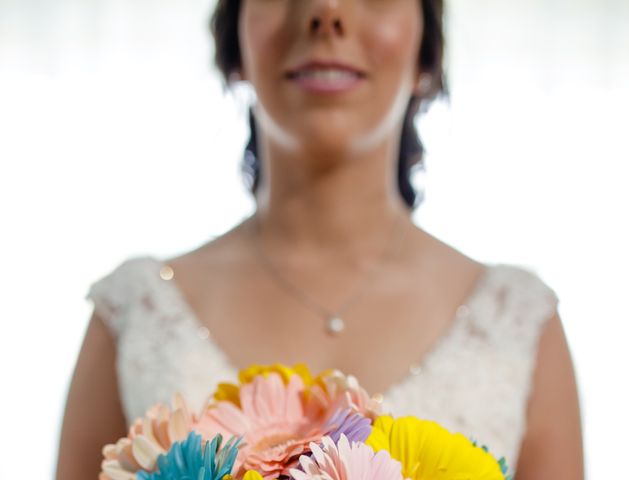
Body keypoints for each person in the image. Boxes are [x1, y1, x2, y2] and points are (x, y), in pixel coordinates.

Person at [55, 0, 584, 478]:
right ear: (234, 41)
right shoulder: (133, 311)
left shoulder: (518, 320)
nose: (326, 9)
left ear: (426, 53)